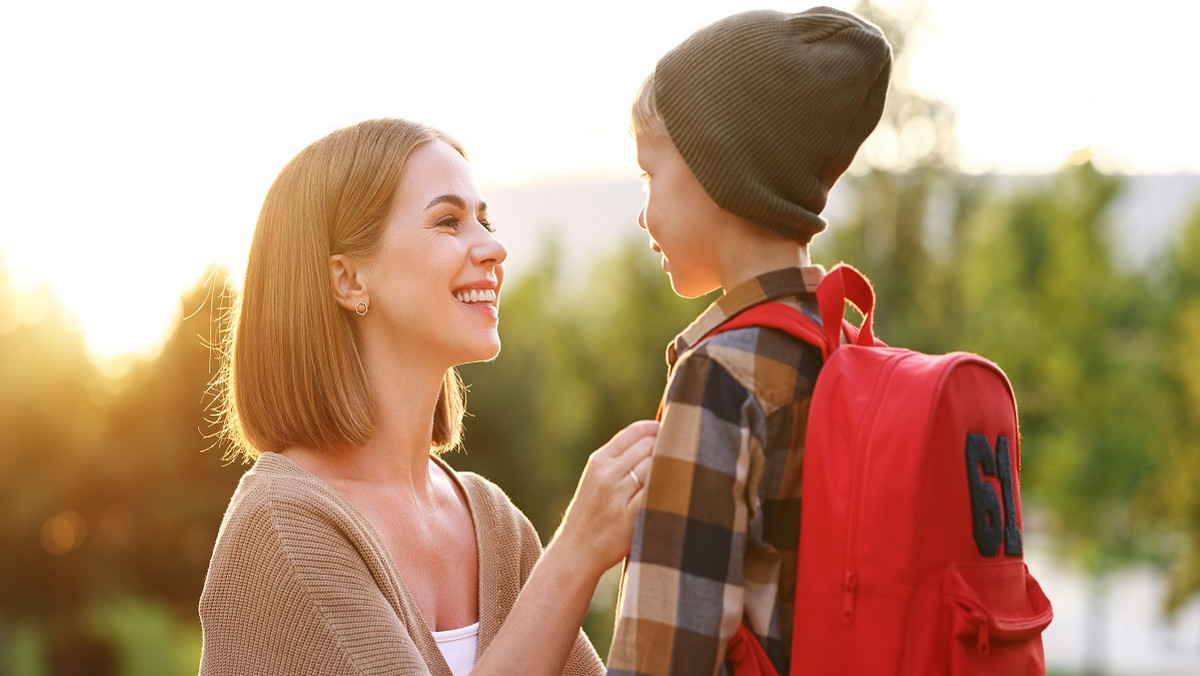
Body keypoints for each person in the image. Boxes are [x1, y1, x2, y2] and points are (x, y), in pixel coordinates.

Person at [199, 118, 657, 676]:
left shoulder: (495, 524)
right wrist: (576, 557)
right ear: (348, 280)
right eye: (448, 222)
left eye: (484, 220)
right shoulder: (282, 529)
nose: (494, 247)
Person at [607, 7, 892, 675]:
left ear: (717, 169)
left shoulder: (719, 379)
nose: (643, 211)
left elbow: (664, 657)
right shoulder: (846, 352)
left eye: (651, 175)